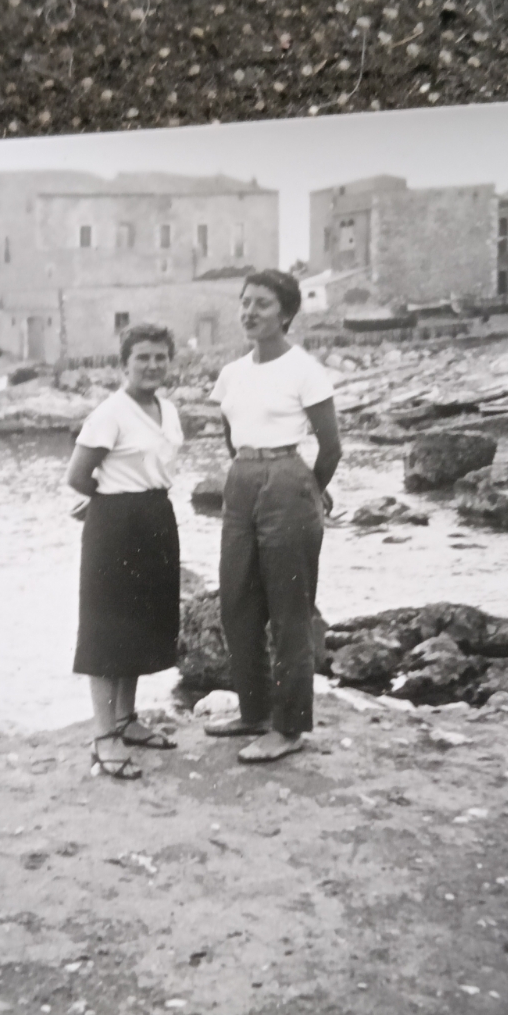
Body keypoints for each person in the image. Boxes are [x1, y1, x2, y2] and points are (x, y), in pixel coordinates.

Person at [205, 270, 342, 764]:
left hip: (289, 478)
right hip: (241, 479)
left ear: (285, 313)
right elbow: (231, 435)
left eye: (262, 304)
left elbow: (331, 447)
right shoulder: (232, 374)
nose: (250, 312)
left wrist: (308, 488)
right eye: (245, 303)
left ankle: (289, 727)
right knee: (236, 604)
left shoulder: (305, 369)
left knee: (289, 613)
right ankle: (254, 710)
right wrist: (250, 474)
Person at [66, 322, 183, 779]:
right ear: (124, 364)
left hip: (156, 517)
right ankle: (103, 735)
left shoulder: (167, 410)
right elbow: (78, 476)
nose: (153, 366)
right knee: (106, 626)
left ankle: (126, 719)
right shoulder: (109, 413)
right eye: (143, 358)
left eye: (160, 357)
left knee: (142, 621)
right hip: (114, 523)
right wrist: (109, 499)